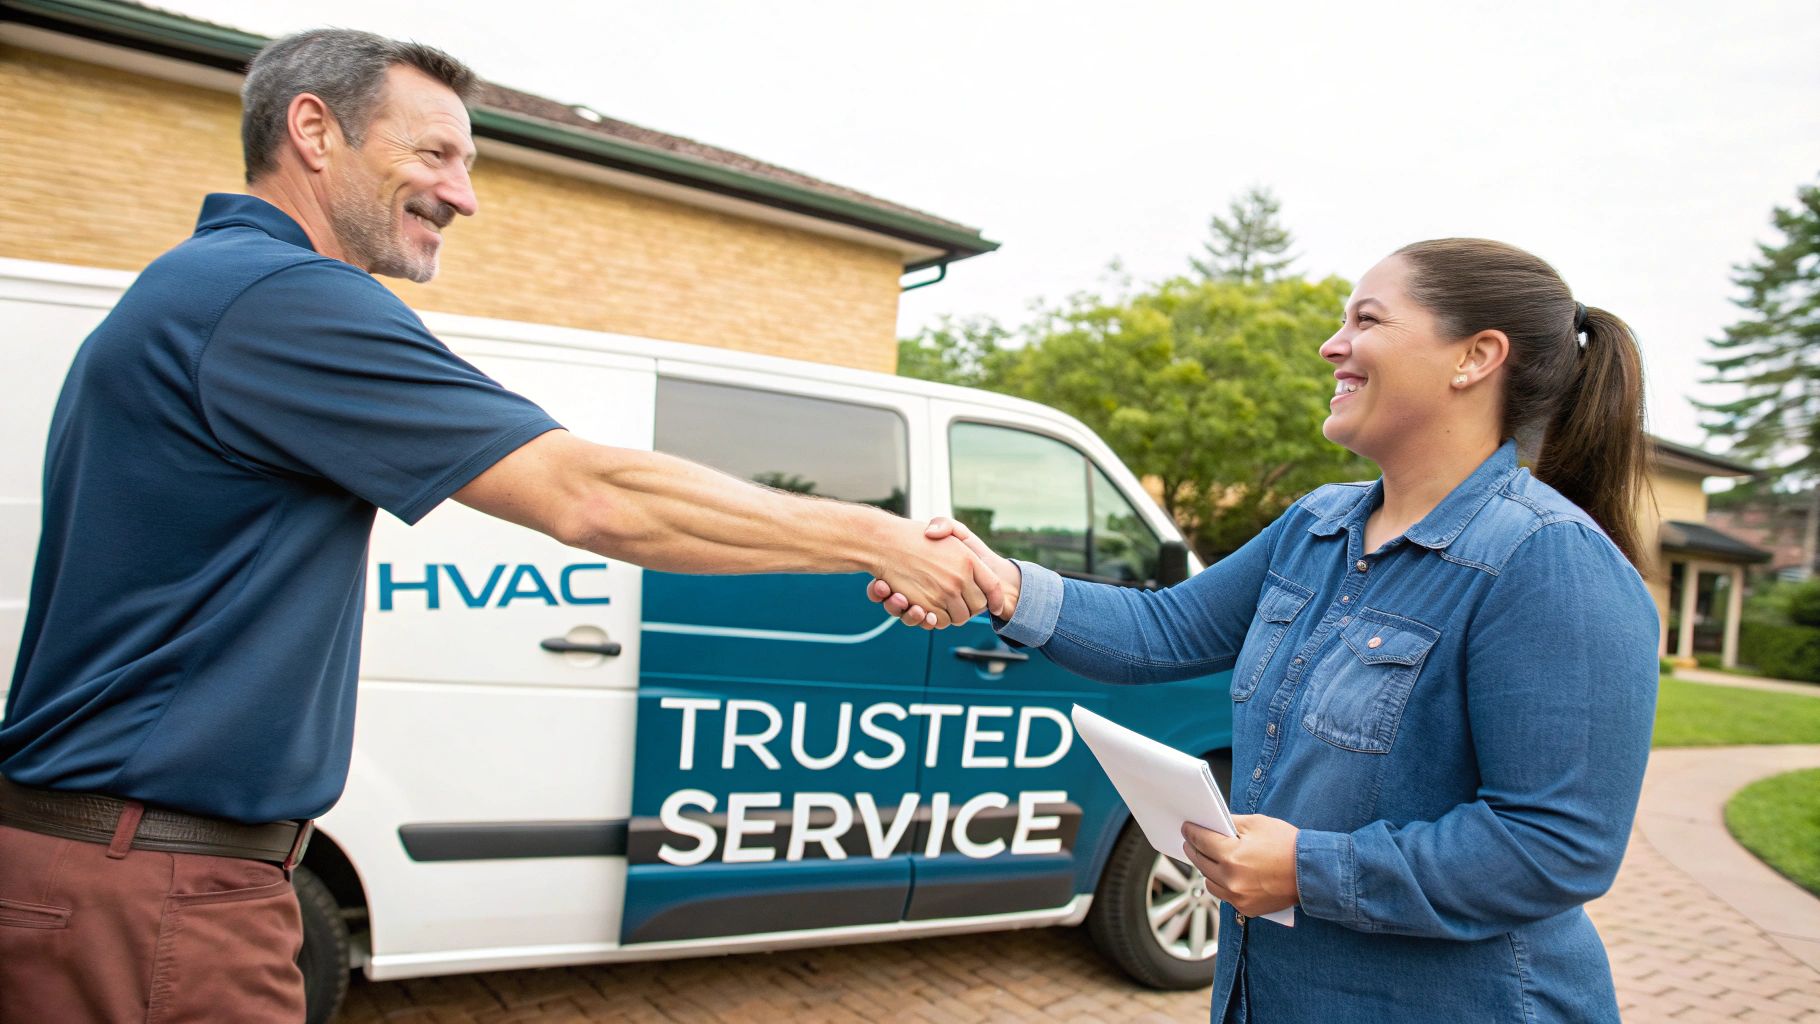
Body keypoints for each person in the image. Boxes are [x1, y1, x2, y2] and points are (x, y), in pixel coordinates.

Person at [0, 29, 996, 1023]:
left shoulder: (203, 287)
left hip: (117, 873)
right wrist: (877, 537)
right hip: (157, 896)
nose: (463, 194)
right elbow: (592, 493)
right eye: (433, 154)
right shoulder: (282, 299)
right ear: (313, 130)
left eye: (466, 164)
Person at [874, 239, 1660, 1023]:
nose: (1333, 344)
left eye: (1368, 319)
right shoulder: (1316, 524)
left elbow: (1556, 845)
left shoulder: (1548, 561)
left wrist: (1307, 869)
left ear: (1476, 357)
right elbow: (1164, 629)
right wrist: (997, 584)